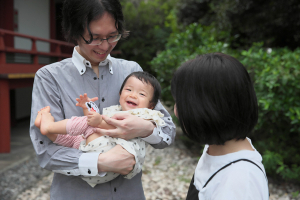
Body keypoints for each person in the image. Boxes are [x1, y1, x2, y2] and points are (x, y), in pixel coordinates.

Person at [29, 0, 176, 199]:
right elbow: (45, 151)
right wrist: (100, 161)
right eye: (95, 37)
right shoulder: (50, 77)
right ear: (74, 30)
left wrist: (145, 128)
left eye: (113, 36)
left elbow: (167, 132)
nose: (105, 46)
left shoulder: (132, 71)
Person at [34, 71, 166, 187]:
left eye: (142, 94)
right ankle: (47, 130)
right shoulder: (116, 110)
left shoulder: (145, 115)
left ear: (151, 105)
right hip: (100, 157)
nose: (133, 95)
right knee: (72, 139)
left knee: (85, 123)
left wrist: (97, 121)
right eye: (129, 90)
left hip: (110, 154)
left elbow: (120, 127)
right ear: (120, 95)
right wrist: (88, 109)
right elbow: (97, 122)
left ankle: (49, 126)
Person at [171, 53, 269, 200]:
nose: (176, 112)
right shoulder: (216, 148)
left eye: (181, 103)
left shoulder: (239, 183)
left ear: (208, 108)